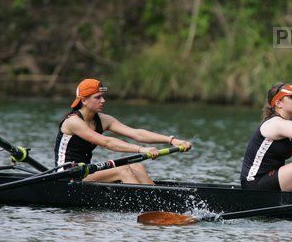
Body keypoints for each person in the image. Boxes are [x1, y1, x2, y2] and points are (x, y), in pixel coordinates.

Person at [54, 78, 192, 184]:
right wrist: (141, 150)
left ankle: (158, 204)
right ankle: (147, 207)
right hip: (66, 176)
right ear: (84, 100)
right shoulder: (73, 122)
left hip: (85, 171)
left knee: (137, 166)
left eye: (102, 96)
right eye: (97, 97)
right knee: (123, 170)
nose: (103, 100)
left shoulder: (103, 120)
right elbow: (107, 142)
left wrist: (172, 140)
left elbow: (137, 134)